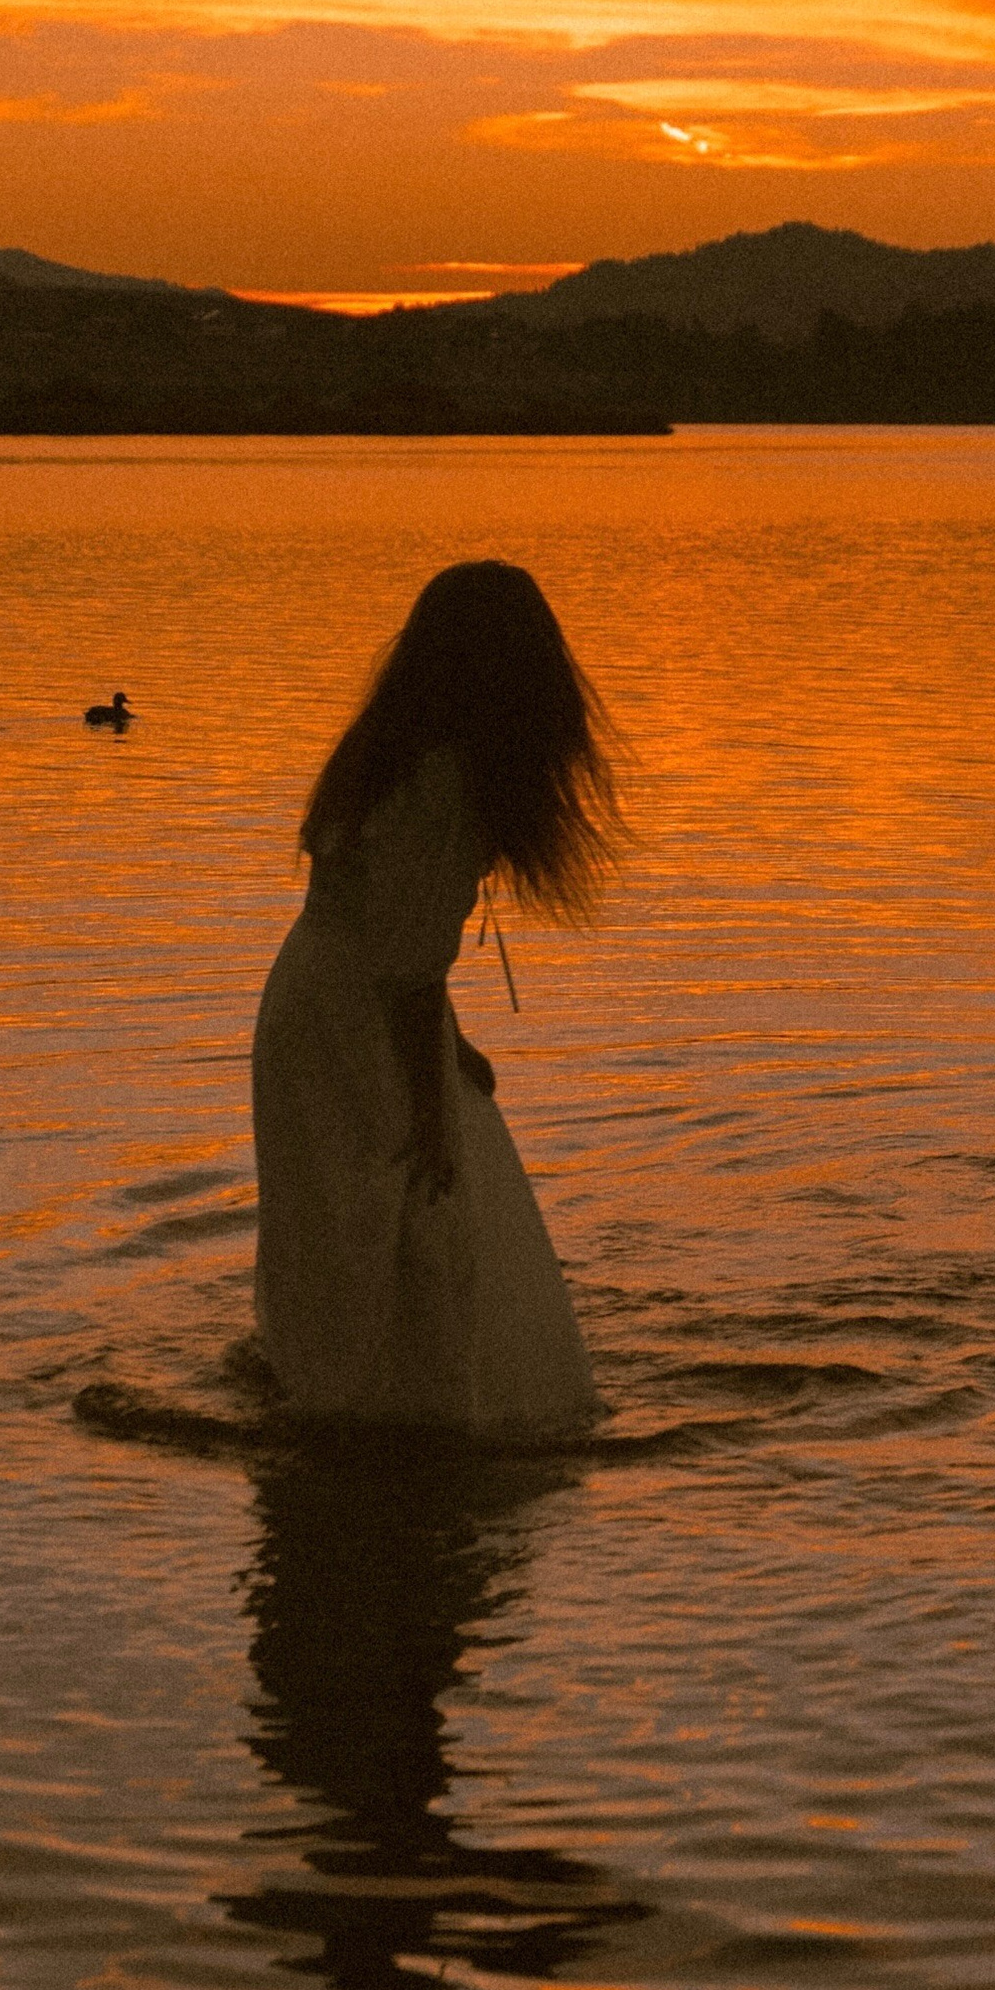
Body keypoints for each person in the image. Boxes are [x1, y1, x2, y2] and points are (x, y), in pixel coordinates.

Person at [253, 561, 617, 1435]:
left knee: (341, 1216)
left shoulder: (394, 749)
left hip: (314, 999)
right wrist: (428, 1094)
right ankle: (405, 1406)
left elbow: (392, 929)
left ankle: (332, 1388)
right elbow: (408, 962)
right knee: (414, 1202)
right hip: (357, 1016)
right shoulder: (446, 777)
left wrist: (451, 1052)